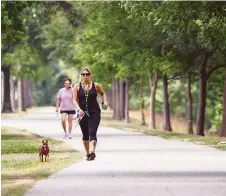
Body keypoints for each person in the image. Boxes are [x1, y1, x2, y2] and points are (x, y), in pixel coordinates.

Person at [73, 67, 108, 161]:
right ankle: (88, 153)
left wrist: (104, 102)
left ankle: (92, 152)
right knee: (85, 134)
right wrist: (79, 109)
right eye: (83, 74)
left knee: (92, 132)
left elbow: (103, 93)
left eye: (87, 74)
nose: (85, 76)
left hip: (94, 112)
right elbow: (74, 100)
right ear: (81, 76)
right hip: (82, 113)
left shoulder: (95, 85)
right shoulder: (77, 86)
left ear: (90, 75)